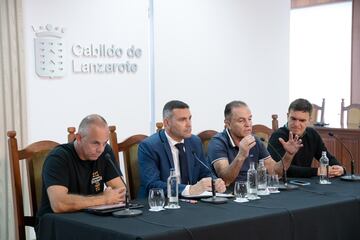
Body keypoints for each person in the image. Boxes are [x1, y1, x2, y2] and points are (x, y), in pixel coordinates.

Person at [37, 114, 126, 233]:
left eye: (104, 143)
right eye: (95, 143)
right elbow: (59, 204)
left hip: (89, 221)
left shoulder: (105, 153)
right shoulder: (58, 158)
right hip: (57, 225)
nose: (100, 149)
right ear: (78, 138)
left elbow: (121, 190)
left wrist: (110, 197)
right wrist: (103, 199)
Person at [138, 100, 226, 198]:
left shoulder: (194, 141)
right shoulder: (149, 146)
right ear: (167, 123)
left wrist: (215, 182)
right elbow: (152, 184)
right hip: (160, 203)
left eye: (189, 118)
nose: (189, 124)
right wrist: (190, 189)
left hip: (191, 202)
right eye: (182, 120)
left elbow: (205, 172)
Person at [207, 100, 303, 186]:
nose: (248, 124)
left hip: (252, 191)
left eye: (249, 119)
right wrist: (241, 155)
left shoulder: (255, 140)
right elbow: (225, 179)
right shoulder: (217, 142)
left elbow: (275, 173)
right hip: (228, 195)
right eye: (241, 120)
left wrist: (289, 155)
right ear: (228, 124)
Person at [268, 98, 345, 178]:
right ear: (288, 116)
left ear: (309, 120)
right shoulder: (278, 136)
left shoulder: (312, 134)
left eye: (302, 120)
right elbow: (279, 170)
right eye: (293, 119)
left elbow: (327, 157)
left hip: (306, 183)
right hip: (284, 184)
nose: (296, 124)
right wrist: (317, 171)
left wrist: (340, 169)